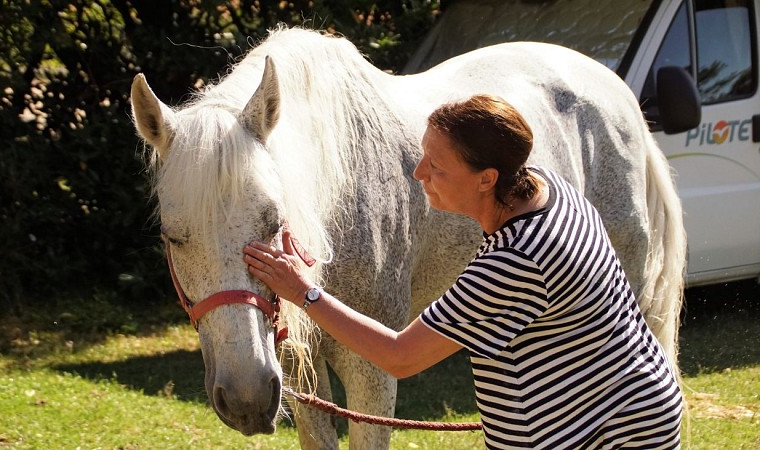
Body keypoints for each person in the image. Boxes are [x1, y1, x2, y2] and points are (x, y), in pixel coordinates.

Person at [243, 94, 682, 449]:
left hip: (612, 431)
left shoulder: (515, 261)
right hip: (621, 405)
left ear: (487, 178)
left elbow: (400, 356)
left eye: (437, 166)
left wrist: (304, 293)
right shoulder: (546, 187)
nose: (419, 173)